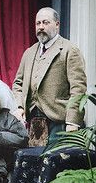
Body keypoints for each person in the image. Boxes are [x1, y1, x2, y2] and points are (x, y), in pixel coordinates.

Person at [12, 7, 87, 146]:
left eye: (45, 22)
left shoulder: (69, 50)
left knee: (58, 165)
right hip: (34, 123)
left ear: (57, 25)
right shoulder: (29, 52)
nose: (41, 27)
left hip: (60, 121)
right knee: (35, 163)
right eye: (38, 23)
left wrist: (72, 122)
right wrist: (19, 106)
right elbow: (18, 83)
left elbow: (78, 89)